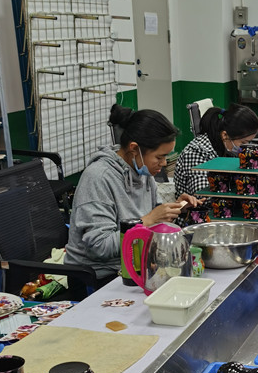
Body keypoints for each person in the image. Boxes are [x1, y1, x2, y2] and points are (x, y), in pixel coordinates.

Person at [66, 105, 198, 279]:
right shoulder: (98, 178)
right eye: (159, 157)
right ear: (134, 149)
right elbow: (100, 247)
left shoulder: (142, 171)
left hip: (136, 265)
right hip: (99, 276)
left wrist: (174, 208)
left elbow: (154, 213)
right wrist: (148, 221)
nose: (164, 163)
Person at [173, 105, 258, 199]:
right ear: (225, 135)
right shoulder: (196, 152)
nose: (246, 147)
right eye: (243, 142)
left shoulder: (223, 148)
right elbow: (203, 197)